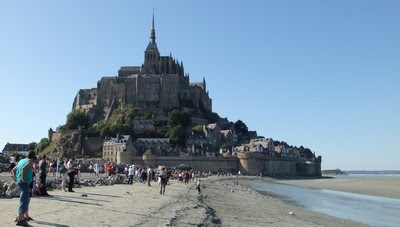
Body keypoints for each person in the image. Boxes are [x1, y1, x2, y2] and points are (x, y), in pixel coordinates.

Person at [11, 150, 36, 226]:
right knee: (24, 200)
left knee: (25, 199)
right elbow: (24, 169)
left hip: (20, 182)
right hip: (24, 182)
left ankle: (20, 216)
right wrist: (24, 180)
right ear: (33, 156)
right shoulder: (30, 161)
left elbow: (13, 170)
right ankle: (20, 220)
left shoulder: (22, 160)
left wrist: (16, 178)